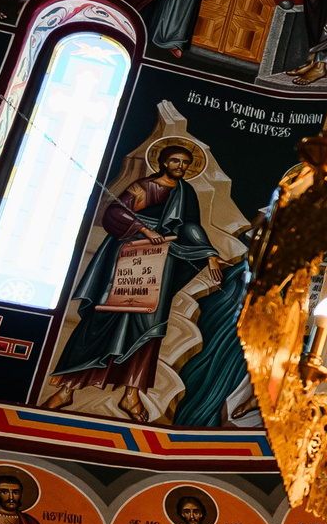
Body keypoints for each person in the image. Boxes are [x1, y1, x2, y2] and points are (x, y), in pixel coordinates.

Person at [45, 141, 234, 423]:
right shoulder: (144, 186)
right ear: (163, 163)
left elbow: (191, 226)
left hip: (159, 266)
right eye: (175, 161)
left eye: (184, 163)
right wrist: (145, 230)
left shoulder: (186, 192)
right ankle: (67, 390)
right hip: (126, 259)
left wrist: (209, 254)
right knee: (100, 321)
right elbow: (115, 213)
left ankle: (131, 395)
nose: (180, 167)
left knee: (147, 327)